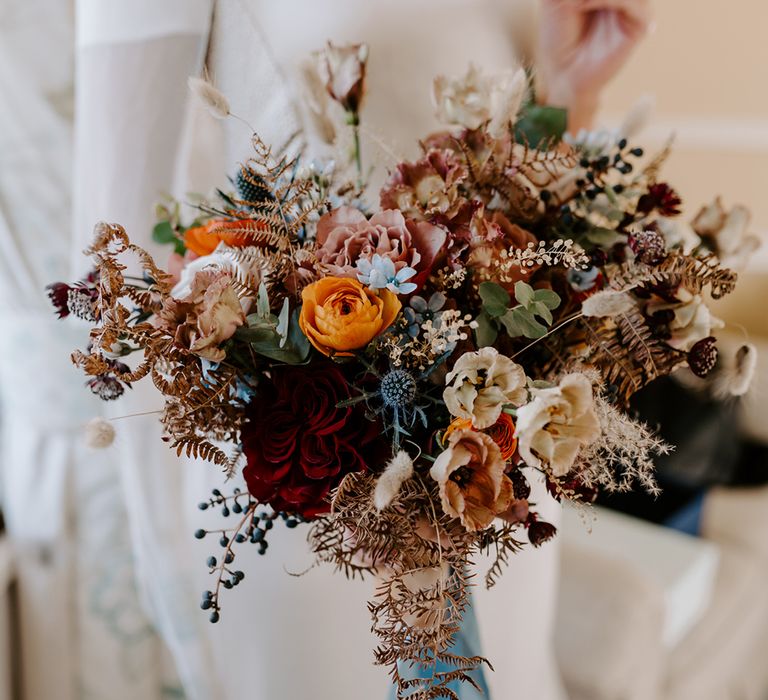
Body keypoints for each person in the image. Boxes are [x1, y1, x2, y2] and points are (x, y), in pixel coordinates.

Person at [71, 1, 650, 697]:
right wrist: (176, 602)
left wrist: (571, 86)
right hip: (317, 508)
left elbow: (520, 216)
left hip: (497, 493)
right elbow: (112, 268)